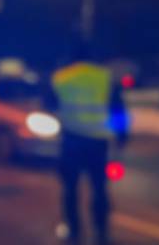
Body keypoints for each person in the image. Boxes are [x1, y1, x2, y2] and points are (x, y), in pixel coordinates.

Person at [47, 45, 129, 245]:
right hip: (97, 142)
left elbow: (48, 104)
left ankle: (72, 229)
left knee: (70, 188)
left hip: (71, 140)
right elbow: (117, 109)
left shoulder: (61, 77)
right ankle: (101, 232)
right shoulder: (104, 77)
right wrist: (121, 135)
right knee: (99, 188)